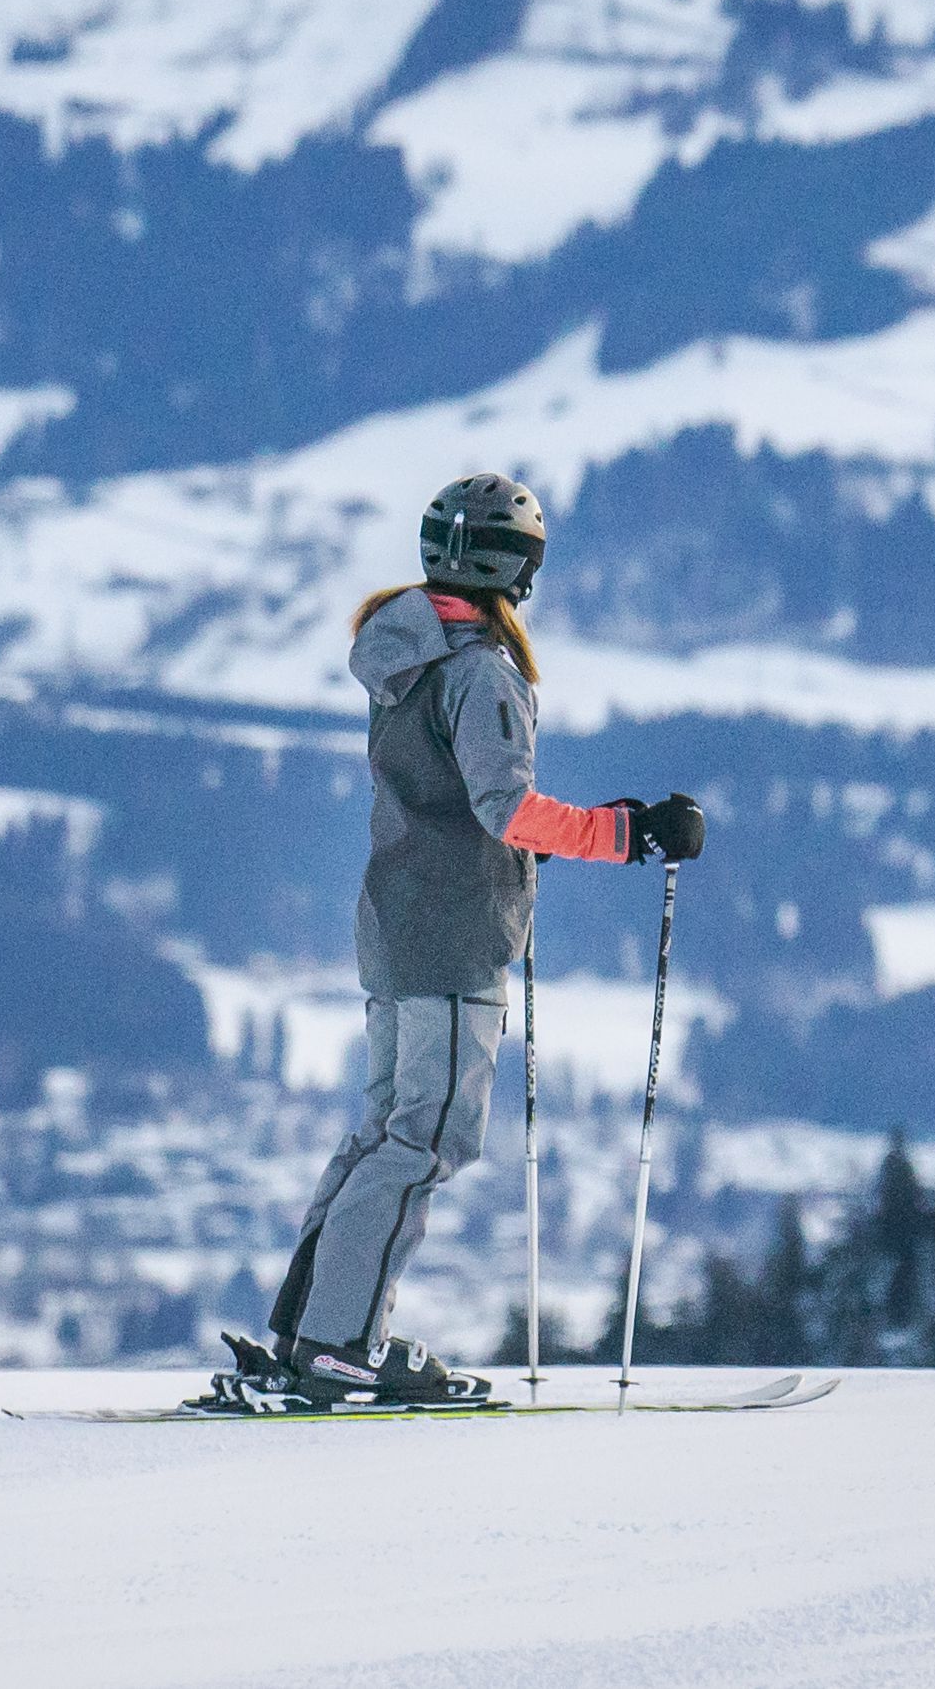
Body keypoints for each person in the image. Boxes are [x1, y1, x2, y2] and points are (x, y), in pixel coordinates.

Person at [233, 469, 705, 1409]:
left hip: (398, 923)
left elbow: (458, 804)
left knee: (382, 1134)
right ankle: (339, 1345)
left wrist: (574, 829)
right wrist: (631, 834)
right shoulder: (478, 665)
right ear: (516, 565)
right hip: (451, 939)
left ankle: (307, 1331)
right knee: (425, 1140)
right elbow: (505, 807)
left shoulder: (402, 652)